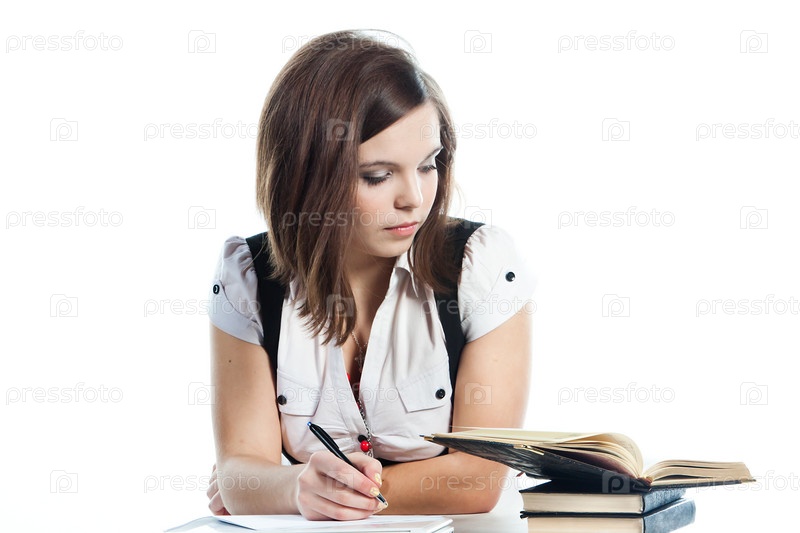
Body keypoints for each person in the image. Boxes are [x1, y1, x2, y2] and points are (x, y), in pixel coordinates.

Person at [205, 29, 535, 520]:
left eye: (428, 165)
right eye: (377, 176)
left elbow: (477, 480)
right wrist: (290, 486)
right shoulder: (250, 278)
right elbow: (240, 474)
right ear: (306, 176)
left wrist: (298, 489)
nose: (414, 199)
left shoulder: (481, 265)